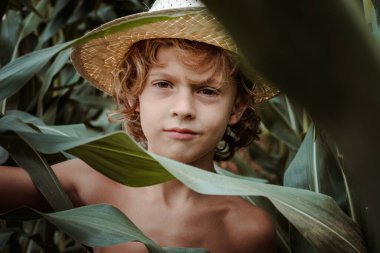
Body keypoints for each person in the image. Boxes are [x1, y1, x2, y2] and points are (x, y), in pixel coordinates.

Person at [0, 0, 279, 252]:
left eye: (207, 91)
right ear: (135, 95)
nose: (183, 109)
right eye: (163, 84)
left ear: (238, 107)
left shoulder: (247, 229)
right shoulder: (91, 180)